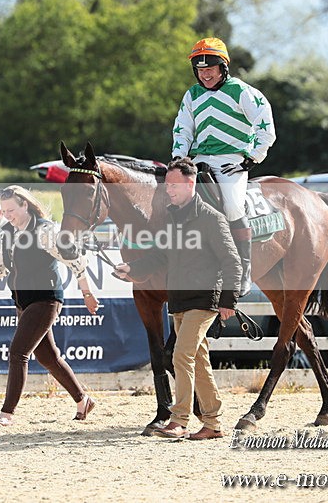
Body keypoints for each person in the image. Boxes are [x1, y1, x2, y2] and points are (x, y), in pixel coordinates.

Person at [115, 158, 241, 439]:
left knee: (180, 356)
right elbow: (160, 255)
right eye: (166, 185)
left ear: (190, 183)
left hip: (203, 300)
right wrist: (132, 269)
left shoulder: (211, 218)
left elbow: (232, 261)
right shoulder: (172, 218)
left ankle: (179, 420)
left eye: (173, 185)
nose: (168, 191)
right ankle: (213, 423)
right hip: (180, 302)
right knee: (198, 359)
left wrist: (228, 300)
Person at [0, 185, 100, 427]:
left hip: (46, 299)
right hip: (23, 301)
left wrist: (87, 292)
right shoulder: (7, 233)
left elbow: (75, 259)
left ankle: (6, 414)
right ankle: (83, 400)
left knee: (18, 352)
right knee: (48, 357)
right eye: (4, 210)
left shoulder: (45, 230)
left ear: (25, 205)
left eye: (11, 209)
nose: (7, 215)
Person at [170, 36, 276, 296]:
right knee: (168, 202)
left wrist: (252, 158)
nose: (205, 74)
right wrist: (178, 158)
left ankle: (244, 270)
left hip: (232, 162)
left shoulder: (242, 91)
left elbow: (266, 127)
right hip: (196, 161)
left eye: (210, 69)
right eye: (200, 70)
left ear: (223, 68)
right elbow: (183, 129)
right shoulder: (192, 95)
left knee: (231, 205)